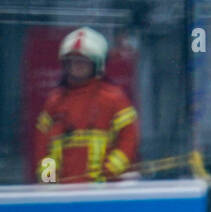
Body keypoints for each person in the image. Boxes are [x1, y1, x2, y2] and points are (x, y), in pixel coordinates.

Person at [33, 27, 139, 183]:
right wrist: (48, 178)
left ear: (97, 64)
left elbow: (129, 138)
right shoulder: (54, 101)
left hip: (102, 191)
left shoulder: (114, 99)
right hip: (60, 191)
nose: (77, 66)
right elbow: (42, 145)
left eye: (83, 61)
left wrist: (109, 172)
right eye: (72, 61)